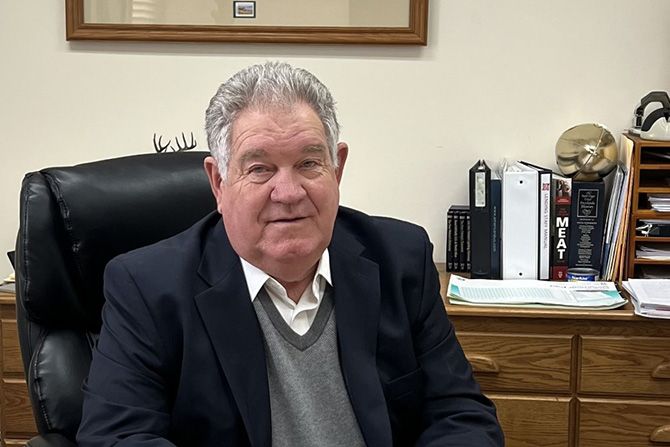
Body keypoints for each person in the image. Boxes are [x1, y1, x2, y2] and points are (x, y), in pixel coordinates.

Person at [77, 61, 503, 446]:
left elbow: (461, 416)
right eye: (259, 169)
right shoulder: (147, 288)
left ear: (337, 168)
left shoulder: (400, 260)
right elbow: (117, 437)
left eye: (308, 164)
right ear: (219, 183)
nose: (288, 192)